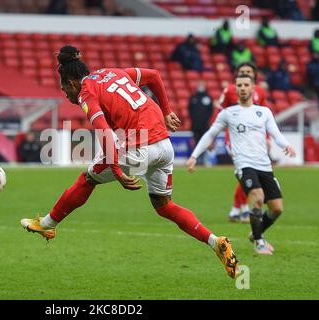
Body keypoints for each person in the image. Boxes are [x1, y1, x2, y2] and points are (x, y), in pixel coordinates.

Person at [20, 45, 239, 279]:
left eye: (65, 90)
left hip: (140, 147)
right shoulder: (112, 72)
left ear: (72, 83)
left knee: (88, 179)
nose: (67, 95)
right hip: (165, 146)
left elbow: (104, 131)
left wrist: (116, 169)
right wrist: (166, 111)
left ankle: (48, 224)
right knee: (164, 205)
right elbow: (154, 76)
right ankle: (216, 242)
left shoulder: (86, 91)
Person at [187, 75, 296, 255]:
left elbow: (275, 133)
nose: (243, 88)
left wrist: (286, 146)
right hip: (244, 164)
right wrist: (194, 155)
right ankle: (259, 242)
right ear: (235, 89)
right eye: (239, 85)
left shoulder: (264, 112)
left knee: (277, 208)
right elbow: (210, 134)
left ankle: (255, 232)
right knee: (258, 197)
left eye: (246, 85)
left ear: (253, 88)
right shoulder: (228, 113)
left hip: (264, 165)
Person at [218, 62, 269, 223]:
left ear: (254, 75)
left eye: (249, 71)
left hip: (254, 139)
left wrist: (266, 138)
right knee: (247, 170)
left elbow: (264, 117)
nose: (246, 73)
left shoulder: (260, 91)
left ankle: (238, 208)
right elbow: (221, 110)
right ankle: (242, 207)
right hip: (235, 138)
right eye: (242, 71)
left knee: (248, 172)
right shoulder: (230, 91)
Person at [188, 80, 213, 164]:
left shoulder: (208, 97)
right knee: (196, 142)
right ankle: (196, 160)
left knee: (205, 142)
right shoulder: (193, 97)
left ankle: (206, 160)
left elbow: (211, 110)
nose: (200, 87)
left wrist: (206, 119)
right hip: (195, 125)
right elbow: (190, 110)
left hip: (205, 125)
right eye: (199, 85)